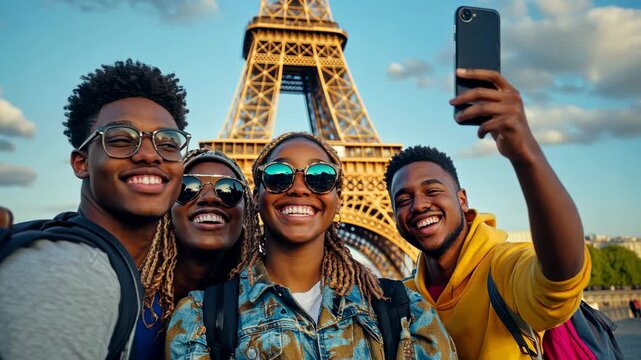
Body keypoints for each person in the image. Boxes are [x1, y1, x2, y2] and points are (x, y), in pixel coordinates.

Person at [167, 132, 457, 359]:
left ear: (338, 199)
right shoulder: (198, 318)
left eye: (321, 177)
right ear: (255, 197)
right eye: (279, 175)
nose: (299, 187)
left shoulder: (406, 311)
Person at [384, 69, 591, 359]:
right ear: (394, 216)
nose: (418, 205)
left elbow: (561, 278)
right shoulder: (403, 296)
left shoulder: (503, 267)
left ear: (463, 199)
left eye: (432, 191)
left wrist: (525, 154)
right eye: (403, 199)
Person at [0, 59, 190, 359]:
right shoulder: (72, 276)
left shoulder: (94, 261)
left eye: (167, 143)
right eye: (120, 139)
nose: (149, 154)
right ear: (81, 162)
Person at [134, 147, 255, 359]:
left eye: (229, 190)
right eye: (187, 188)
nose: (209, 198)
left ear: (248, 215)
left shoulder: (258, 306)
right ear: (167, 211)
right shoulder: (126, 294)